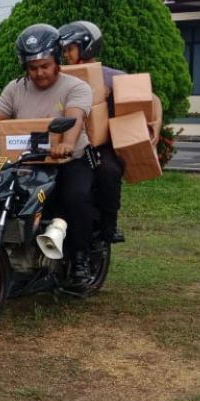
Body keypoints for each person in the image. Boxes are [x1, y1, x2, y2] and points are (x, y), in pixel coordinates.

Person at [0, 24, 97, 285]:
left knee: (75, 197)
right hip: (26, 162)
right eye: (32, 68)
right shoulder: (16, 88)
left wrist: (65, 144)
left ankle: (79, 259)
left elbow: (75, 119)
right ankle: (12, 252)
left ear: (57, 60)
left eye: (44, 66)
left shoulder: (76, 87)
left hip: (69, 160)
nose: (39, 73)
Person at [58, 20, 127, 245]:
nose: (66, 54)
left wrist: (154, 123)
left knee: (109, 170)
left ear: (87, 47)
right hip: (67, 141)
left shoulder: (110, 75)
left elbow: (147, 96)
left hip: (99, 144)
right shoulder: (58, 76)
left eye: (70, 49)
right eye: (64, 50)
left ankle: (109, 226)